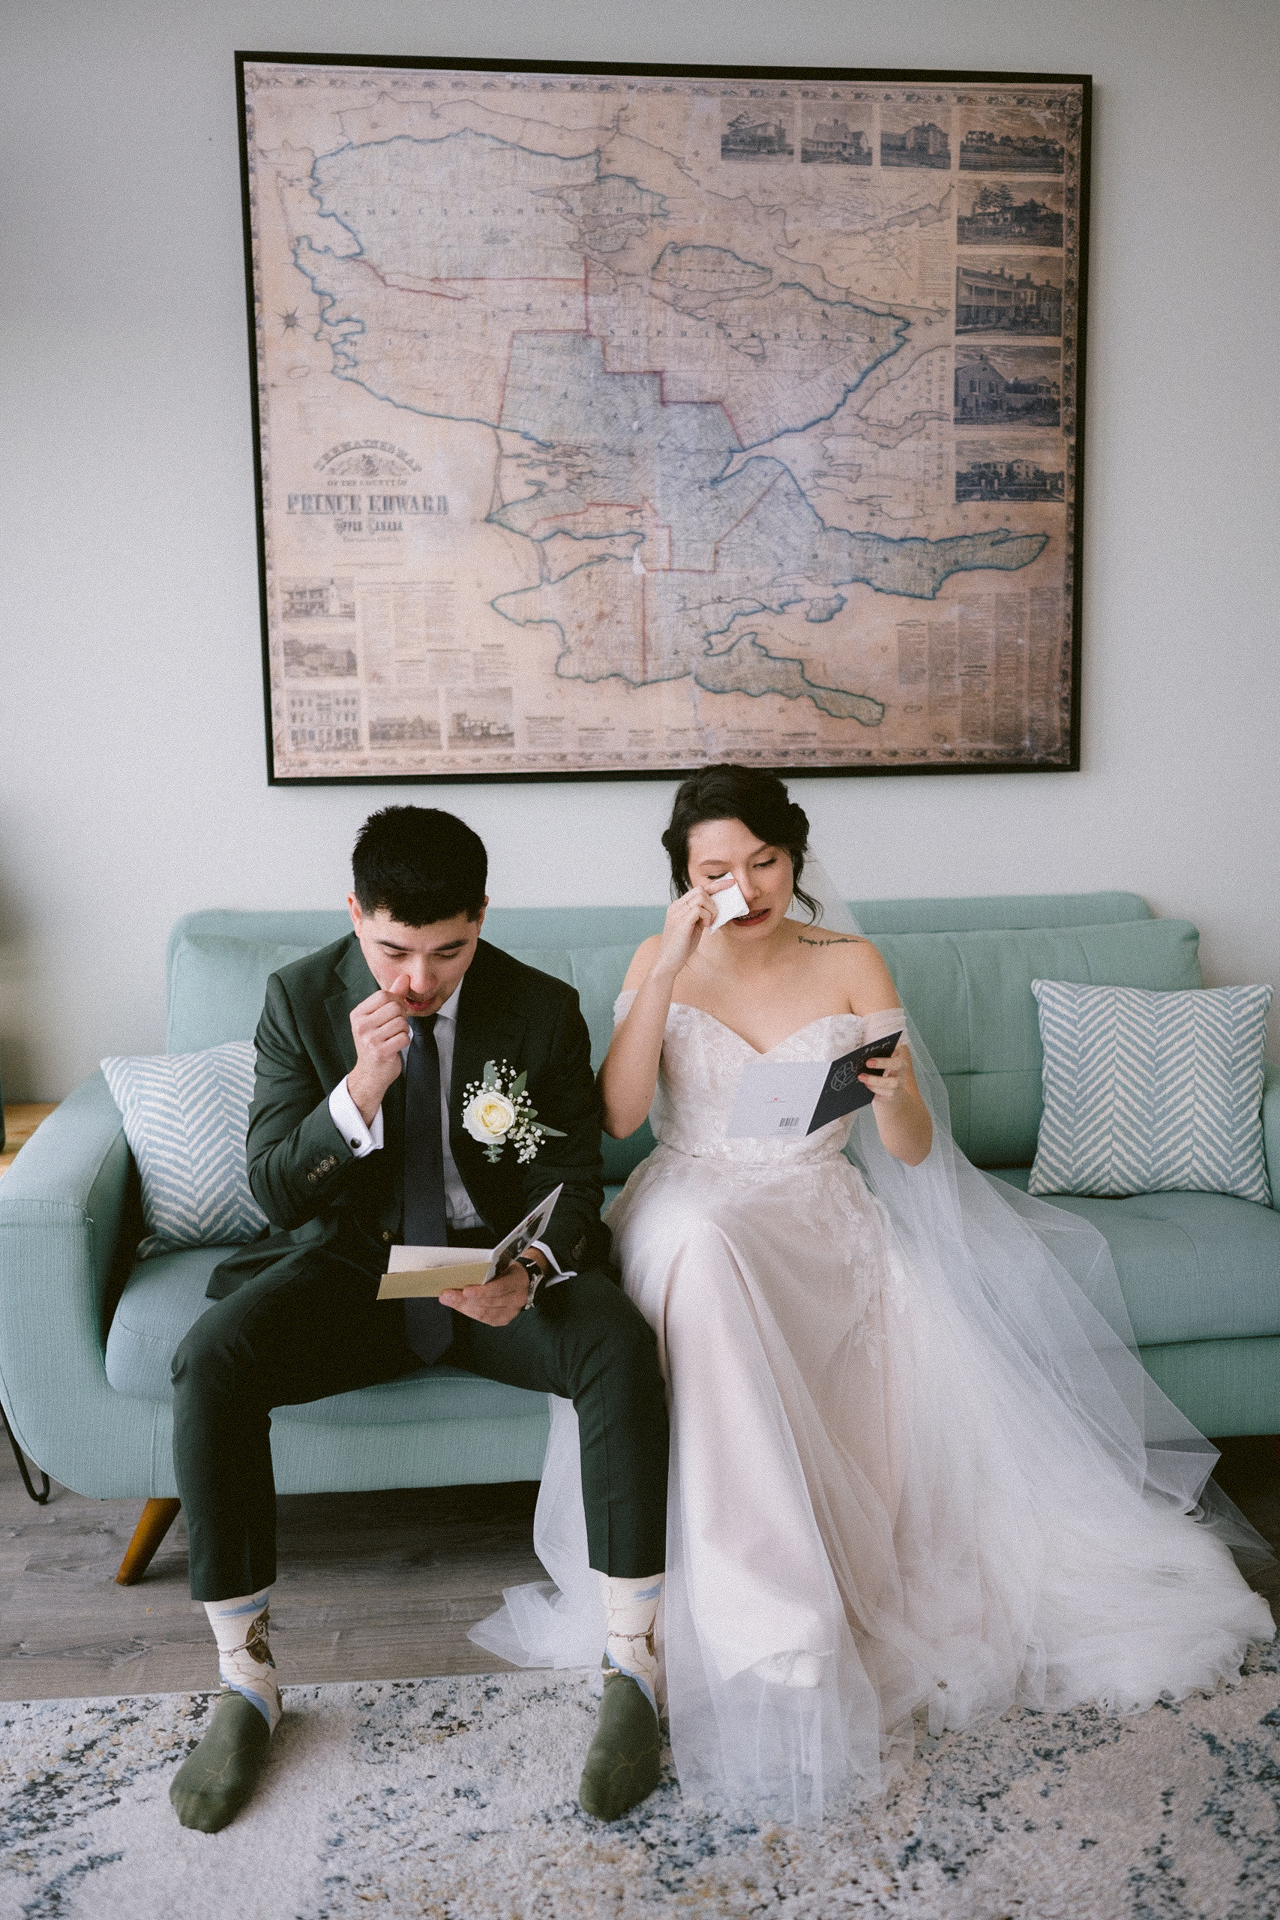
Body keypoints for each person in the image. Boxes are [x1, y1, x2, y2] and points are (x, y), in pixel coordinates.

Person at [480, 764, 1275, 1825]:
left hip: (811, 1206)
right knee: (702, 1244)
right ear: (682, 875)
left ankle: (805, 1597)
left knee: (748, 1254)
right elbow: (620, 1122)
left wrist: (898, 1096)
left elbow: (905, 1152)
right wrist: (666, 966)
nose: (743, 887)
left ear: (793, 857)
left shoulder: (849, 959)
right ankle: (769, 1614)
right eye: (714, 870)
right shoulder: (658, 954)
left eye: (761, 862)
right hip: (688, 1199)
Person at [167, 806, 670, 1833]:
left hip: (489, 1267)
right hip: (354, 1265)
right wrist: (359, 1088)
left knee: (618, 1345)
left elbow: (574, 1174)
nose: (418, 979)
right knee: (212, 1357)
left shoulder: (539, 1007)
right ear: (355, 915)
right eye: (393, 949)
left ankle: (634, 1671)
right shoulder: (298, 999)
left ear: (481, 919)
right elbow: (275, 1190)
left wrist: (523, 1269)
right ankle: (245, 1680)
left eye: (448, 951)